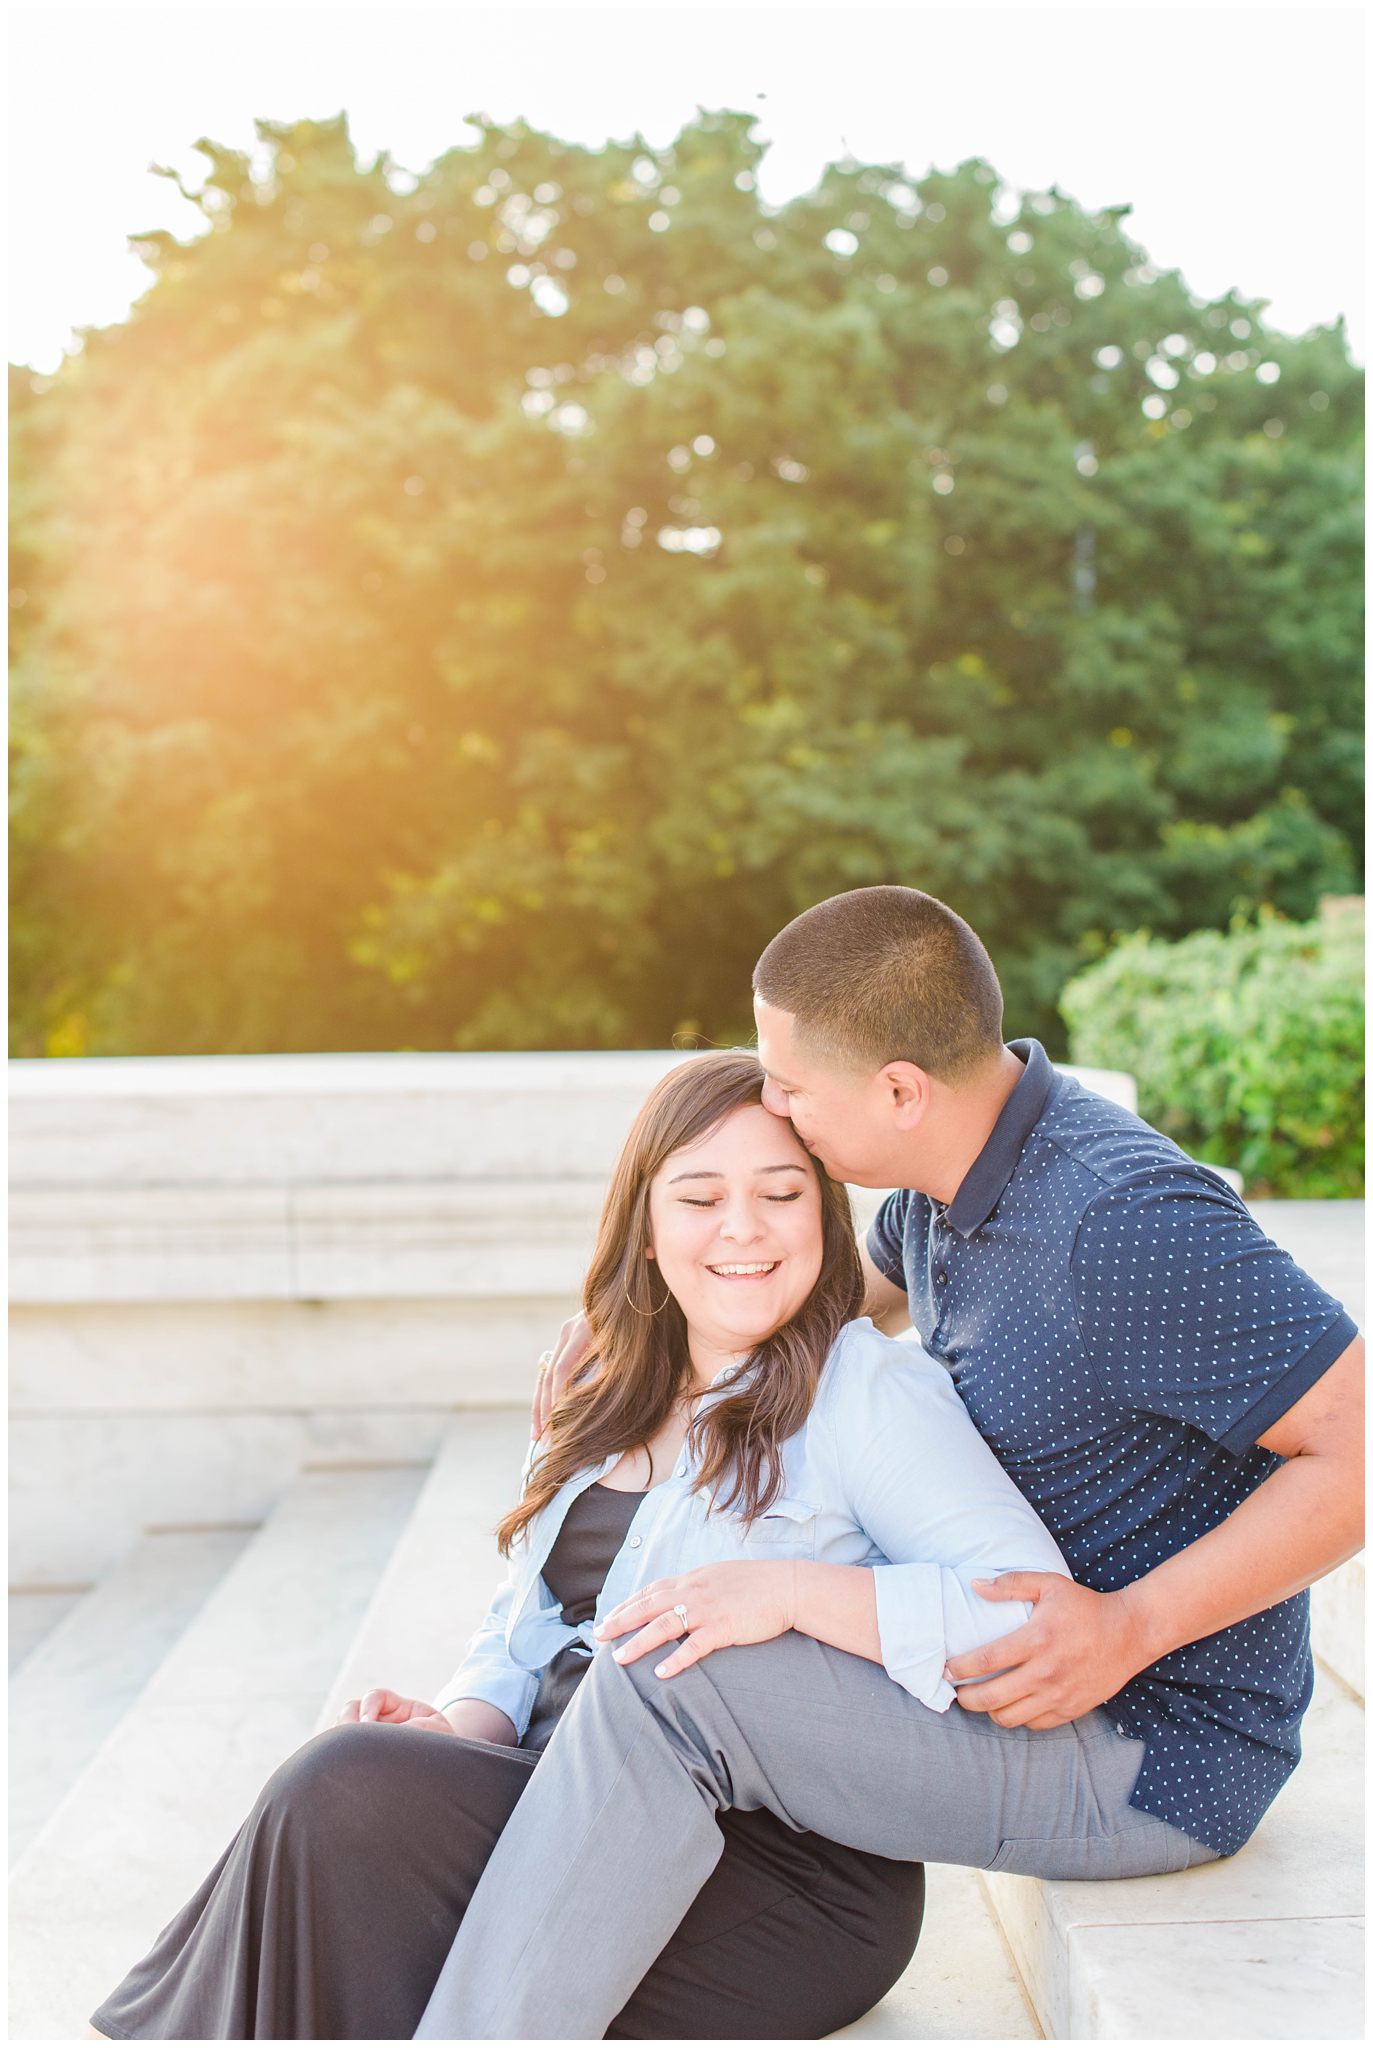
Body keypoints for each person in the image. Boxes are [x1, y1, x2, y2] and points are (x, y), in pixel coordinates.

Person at [415, 883, 1364, 2041]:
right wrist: (637, 1341)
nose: (774, 1104)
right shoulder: (945, 1187)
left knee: (680, 1668)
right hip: (1010, 1679)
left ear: (898, 1091)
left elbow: (1355, 1444)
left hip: (1151, 1742)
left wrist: (1133, 1625)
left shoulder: (1119, 1217)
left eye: (791, 1086)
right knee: (653, 1657)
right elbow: (822, 1301)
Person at [89, 1046, 1071, 2041]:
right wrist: (455, 1727)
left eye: (780, 1192)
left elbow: (1020, 1604)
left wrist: (789, 1592)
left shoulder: (863, 1392)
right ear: (645, 1227)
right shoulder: (599, 1390)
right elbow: (520, 1632)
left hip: (776, 1873)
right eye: (699, 1197)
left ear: (822, 1215)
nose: (743, 1227)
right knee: (356, 1795)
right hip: (562, 1796)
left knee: (337, 1793)